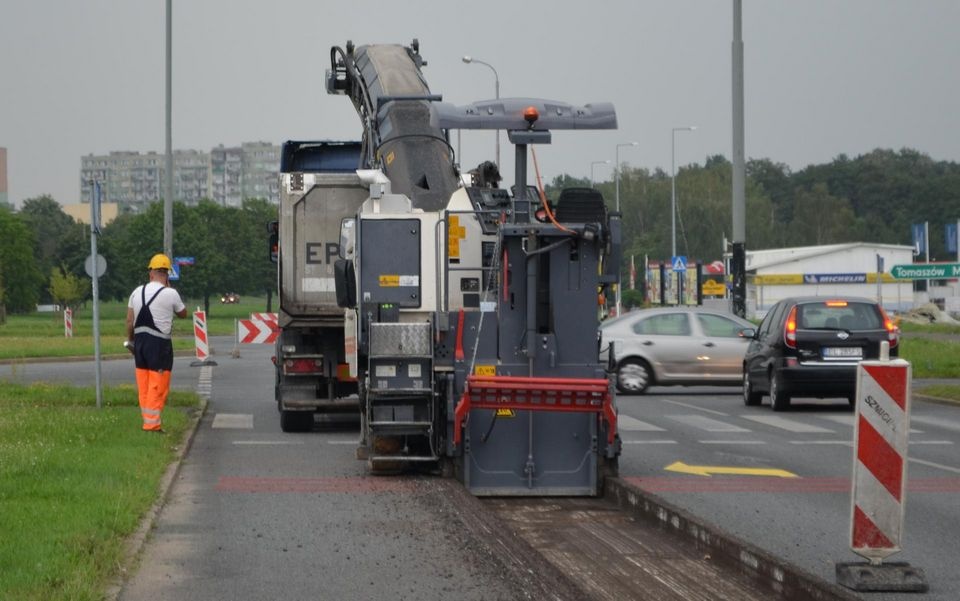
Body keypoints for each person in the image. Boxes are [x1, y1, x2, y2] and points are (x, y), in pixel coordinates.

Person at [126, 254, 187, 432]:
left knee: (144, 384)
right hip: (159, 346)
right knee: (158, 384)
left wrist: (131, 342)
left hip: (140, 344)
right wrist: (170, 290)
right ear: (167, 274)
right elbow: (183, 313)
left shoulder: (136, 292)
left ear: (151, 272)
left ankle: (148, 420)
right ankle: (151, 425)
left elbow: (129, 321)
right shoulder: (170, 293)